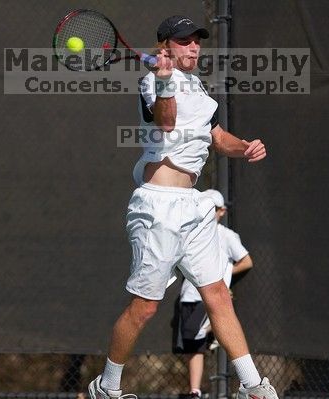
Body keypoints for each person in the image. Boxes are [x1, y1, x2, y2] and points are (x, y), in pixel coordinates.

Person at [88, 15, 278, 399]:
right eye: (184, 40)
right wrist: (162, 80)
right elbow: (167, 124)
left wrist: (246, 148)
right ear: (165, 47)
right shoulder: (150, 82)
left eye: (197, 40)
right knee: (144, 308)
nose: (193, 46)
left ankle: (254, 387)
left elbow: (218, 137)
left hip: (194, 206)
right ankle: (107, 387)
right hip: (158, 208)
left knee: (218, 295)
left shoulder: (200, 90)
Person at [172, 189, 254, 399]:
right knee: (193, 345)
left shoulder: (226, 236)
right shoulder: (189, 233)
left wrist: (224, 275)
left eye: (213, 208)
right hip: (188, 296)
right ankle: (195, 391)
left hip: (209, 298)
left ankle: (251, 385)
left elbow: (246, 261)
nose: (207, 212)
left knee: (202, 335)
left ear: (221, 211)